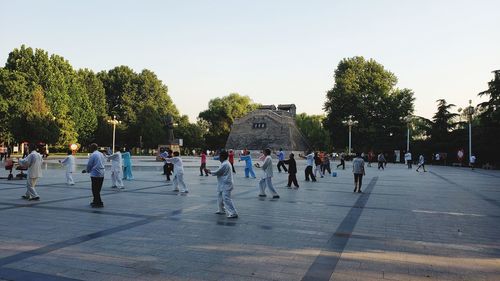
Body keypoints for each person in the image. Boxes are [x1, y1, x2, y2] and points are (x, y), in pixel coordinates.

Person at [207, 150, 238, 218]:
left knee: (226, 198)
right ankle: (221, 210)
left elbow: (218, 172)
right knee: (220, 197)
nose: (219, 157)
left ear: (222, 157)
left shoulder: (225, 164)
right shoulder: (224, 163)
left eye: (220, 156)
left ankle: (233, 212)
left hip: (226, 184)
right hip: (223, 183)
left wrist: (209, 171)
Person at [84, 143, 106, 208]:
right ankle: (95, 201)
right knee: (98, 189)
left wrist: (87, 170)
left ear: (92, 148)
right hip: (102, 173)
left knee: (95, 189)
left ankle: (99, 203)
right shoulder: (101, 154)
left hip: (95, 174)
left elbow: (90, 164)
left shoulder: (93, 155)